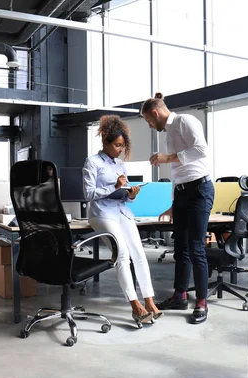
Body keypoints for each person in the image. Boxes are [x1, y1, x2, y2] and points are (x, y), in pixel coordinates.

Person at [140, 92, 214, 324]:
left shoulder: (185, 121)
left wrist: (167, 157)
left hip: (199, 191)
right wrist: (173, 203)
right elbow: (177, 173)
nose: (150, 125)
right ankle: (179, 295)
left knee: (195, 248)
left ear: (155, 113)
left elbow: (202, 151)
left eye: (148, 120)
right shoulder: (169, 132)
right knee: (180, 248)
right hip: (182, 193)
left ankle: (201, 302)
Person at [82, 115, 162, 325]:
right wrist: (115, 187)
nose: (120, 149)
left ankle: (150, 301)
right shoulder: (92, 162)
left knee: (139, 253)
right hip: (101, 213)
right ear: (105, 141)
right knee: (122, 255)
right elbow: (89, 194)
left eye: (122, 146)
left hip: (122, 211)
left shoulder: (120, 164)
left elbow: (124, 194)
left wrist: (131, 194)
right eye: (117, 145)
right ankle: (135, 306)